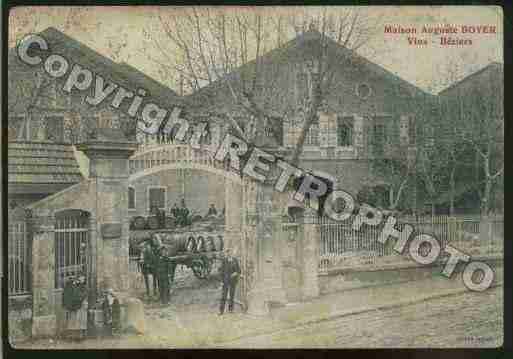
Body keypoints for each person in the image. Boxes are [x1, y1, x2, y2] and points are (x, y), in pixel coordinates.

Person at [218, 248, 241, 315]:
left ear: (232, 254)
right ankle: (221, 310)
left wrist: (235, 273)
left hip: (233, 281)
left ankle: (231, 309)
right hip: (225, 281)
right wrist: (221, 281)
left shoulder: (235, 260)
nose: (229, 254)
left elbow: (239, 270)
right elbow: (221, 271)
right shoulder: (224, 261)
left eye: (230, 253)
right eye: (228, 253)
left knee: (232, 296)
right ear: (226, 254)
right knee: (223, 296)